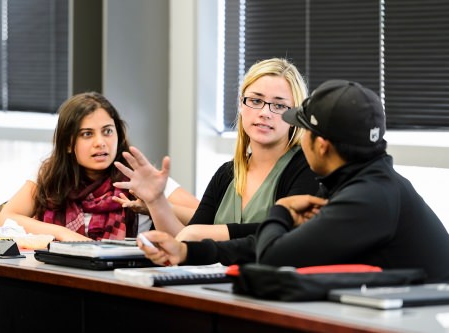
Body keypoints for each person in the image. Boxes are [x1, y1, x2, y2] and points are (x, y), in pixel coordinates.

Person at [136, 79, 449, 284]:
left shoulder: (369, 196)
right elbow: (267, 240)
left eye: (302, 127)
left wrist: (280, 210)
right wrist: (186, 252)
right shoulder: (358, 180)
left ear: (321, 145)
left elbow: (276, 256)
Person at [114, 58, 320, 242]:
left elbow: (287, 234)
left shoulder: (306, 168)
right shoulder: (226, 174)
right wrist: (156, 201)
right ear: (241, 105)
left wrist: (209, 233)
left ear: (295, 116)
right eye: (256, 101)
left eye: (279, 105)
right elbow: (185, 241)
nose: (265, 113)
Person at [0, 92, 199, 241]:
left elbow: (208, 218)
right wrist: (62, 234)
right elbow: (5, 219)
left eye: (108, 131)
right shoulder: (51, 177)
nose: (100, 142)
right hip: (61, 276)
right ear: (68, 143)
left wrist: (156, 204)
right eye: (87, 134)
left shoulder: (141, 178)